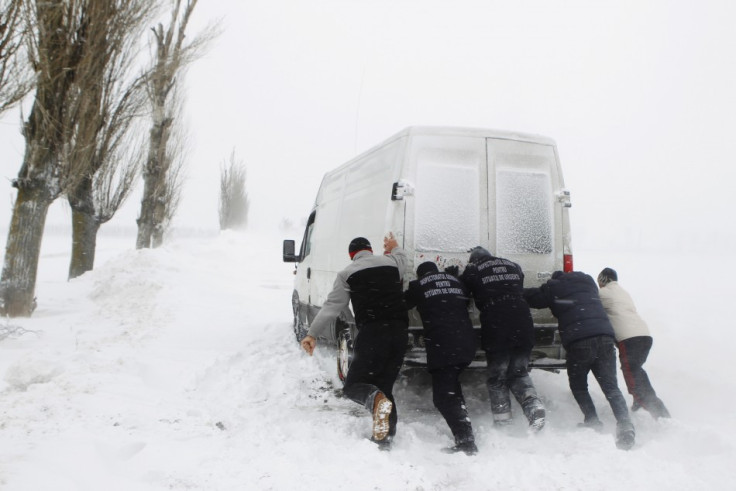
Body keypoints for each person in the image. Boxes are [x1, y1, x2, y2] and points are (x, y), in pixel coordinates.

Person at [300, 233, 408, 447]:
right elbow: (402, 258)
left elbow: (332, 307)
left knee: (353, 386)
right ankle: (385, 436)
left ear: (352, 255)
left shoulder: (347, 273)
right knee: (384, 385)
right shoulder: (392, 263)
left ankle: (377, 406)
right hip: (399, 332)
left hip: (373, 333)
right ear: (370, 250)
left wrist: (312, 334)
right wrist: (394, 247)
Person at [524, 271, 636, 450]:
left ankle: (592, 420)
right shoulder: (588, 282)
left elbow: (535, 299)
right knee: (611, 387)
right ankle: (626, 426)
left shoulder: (554, 286)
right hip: (605, 338)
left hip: (579, 341)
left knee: (579, 386)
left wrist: (514, 290)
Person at [456, 246, 545, 431]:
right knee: (519, 372)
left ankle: (503, 423)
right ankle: (533, 407)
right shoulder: (513, 265)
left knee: (497, 378)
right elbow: (517, 283)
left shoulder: (474, 268)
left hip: (497, 322)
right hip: (523, 320)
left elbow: (461, 290)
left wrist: (456, 276)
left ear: (474, 260)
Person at [404, 261, 478, 455]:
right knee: (452, 388)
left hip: (443, 343)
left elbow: (402, 303)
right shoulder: (456, 281)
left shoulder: (418, 285)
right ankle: (465, 433)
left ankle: (466, 442)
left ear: (420, 275)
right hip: (466, 342)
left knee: (443, 396)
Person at [597, 268, 670, 419]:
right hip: (645, 336)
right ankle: (641, 400)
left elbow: (588, 302)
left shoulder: (604, 293)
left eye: (599, 282)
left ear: (603, 280)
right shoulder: (623, 293)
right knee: (636, 370)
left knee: (631, 375)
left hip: (629, 339)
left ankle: (659, 413)